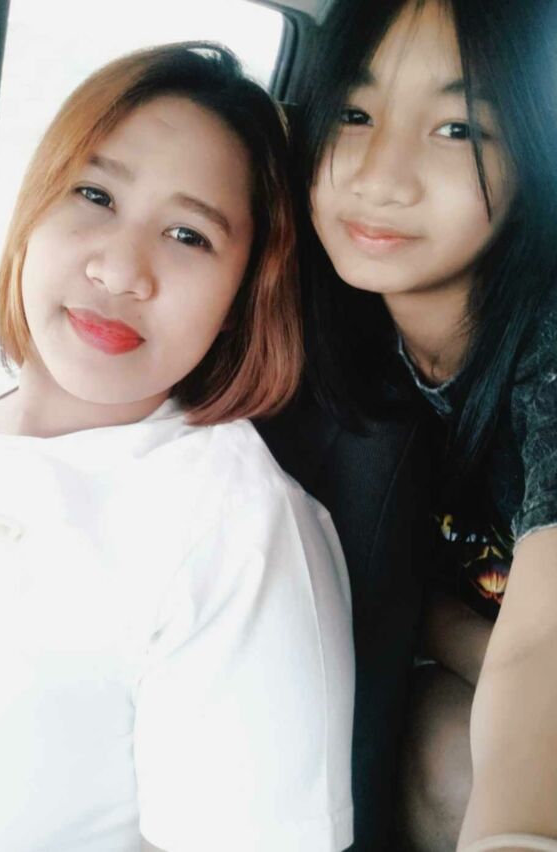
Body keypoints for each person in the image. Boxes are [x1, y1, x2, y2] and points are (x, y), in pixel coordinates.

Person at [0, 43, 355, 852]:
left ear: (243, 295)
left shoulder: (235, 524)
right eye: (94, 195)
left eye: (189, 235)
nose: (121, 270)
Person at [293, 0, 557, 849]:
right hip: (468, 665)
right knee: (439, 745)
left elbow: (544, 638)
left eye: (457, 129)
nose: (381, 177)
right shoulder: (320, 325)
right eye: (354, 114)